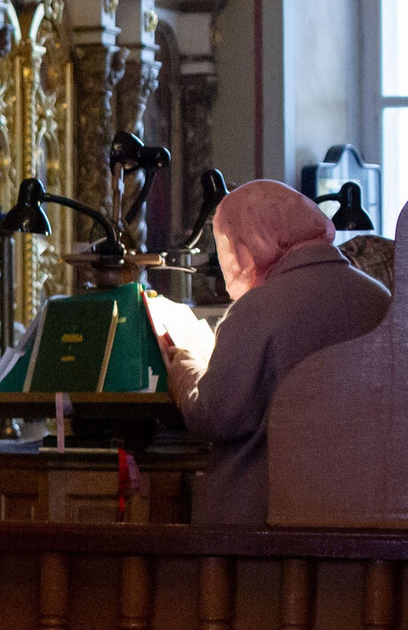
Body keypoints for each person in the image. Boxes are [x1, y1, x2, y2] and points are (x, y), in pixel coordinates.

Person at [156, 179, 389, 524]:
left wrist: (186, 368)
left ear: (249, 244)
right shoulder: (379, 298)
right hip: (367, 526)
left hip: (264, 529)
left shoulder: (257, 310)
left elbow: (215, 415)